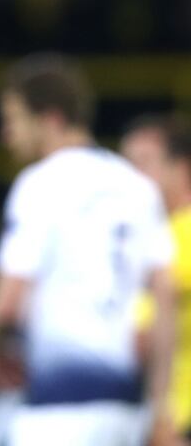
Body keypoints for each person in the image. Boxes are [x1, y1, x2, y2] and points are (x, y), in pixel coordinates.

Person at [0, 57, 177, 446]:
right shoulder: (137, 187)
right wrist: (158, 406)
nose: (6, 134)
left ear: (50, 119)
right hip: (125, 411)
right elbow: (164, 300)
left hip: (58, 412)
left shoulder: (38, 185)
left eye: (14, 119)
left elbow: (5, 304)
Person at [122, 114, 191, 443]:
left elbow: (139, 339)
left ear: (181, 168)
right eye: (127, 165)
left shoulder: (180, 236)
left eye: (144, 162)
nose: (132, 177)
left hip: (177, 420)